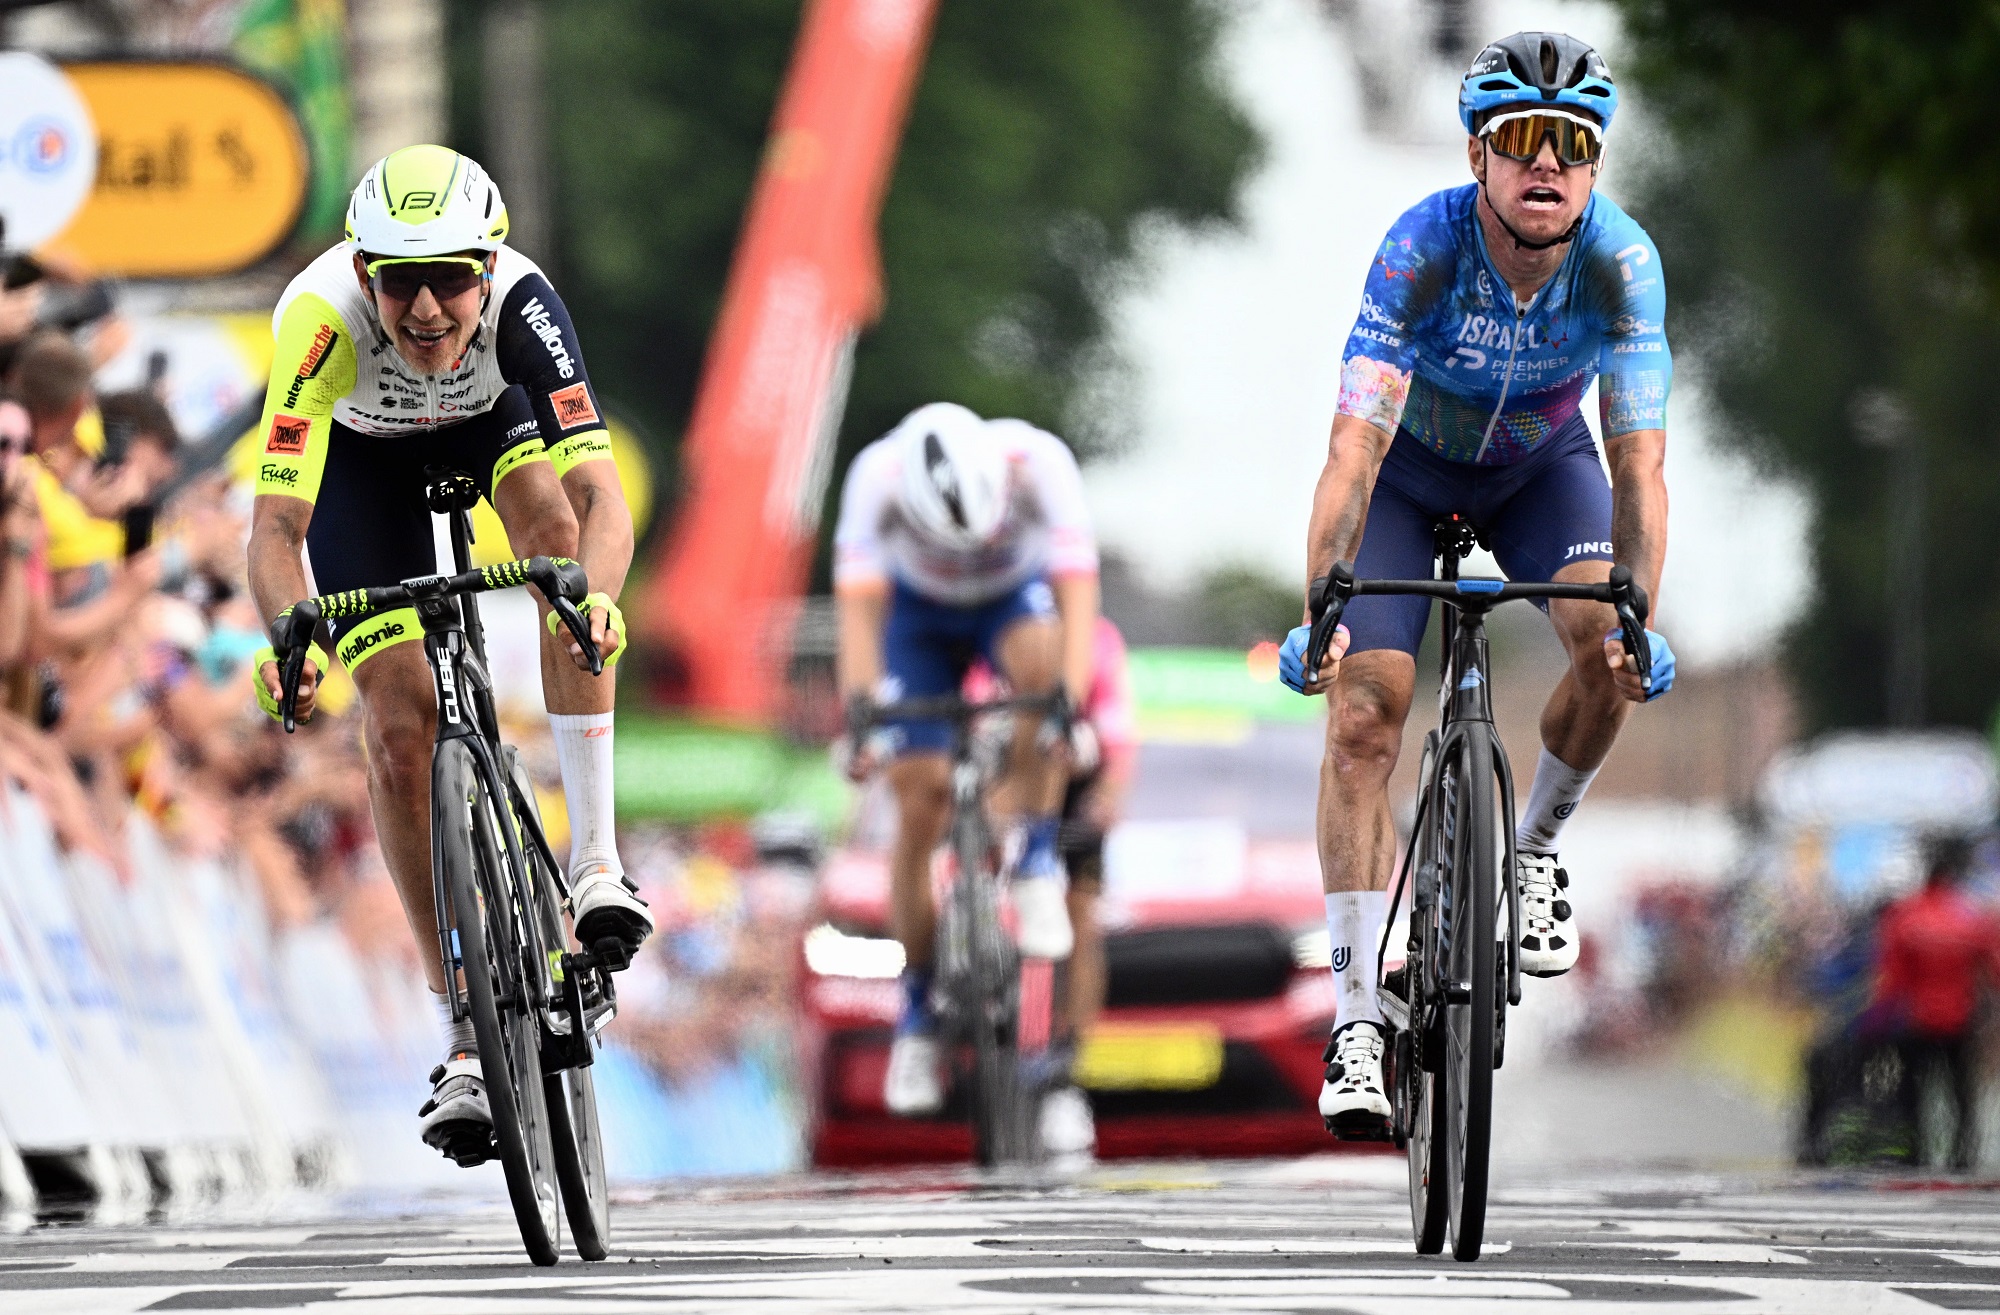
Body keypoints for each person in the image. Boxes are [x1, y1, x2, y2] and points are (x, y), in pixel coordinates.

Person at [1280, 32, 1677, 1137]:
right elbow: (1353, 446)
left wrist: (1640, 605)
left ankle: (1536, 844)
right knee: (1365, 713)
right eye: (1520, 141)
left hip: (1541, 477)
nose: (1544, 164)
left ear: (1592, 166)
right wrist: (1320, 594)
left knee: (1605, 642)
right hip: (1408, 472)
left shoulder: (1620, 265)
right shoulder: (1418, 250)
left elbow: (1637, 459)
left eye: (1570, 144)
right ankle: (1358, 1015)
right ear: (1477, 156)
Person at [242, 145, 651, 1163]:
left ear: (488, 267)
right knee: (394, 720)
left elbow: (602, 495)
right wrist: (290, 643)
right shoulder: (317, 317)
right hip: (361, 473)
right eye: (399, 280)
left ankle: (596, 862)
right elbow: (275, 530)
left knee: (558, 557)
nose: (426, 309)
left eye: (449, 278)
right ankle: (463, 1029)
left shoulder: (522, 306)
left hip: (488, 426)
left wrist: (592, 601)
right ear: (362, 271)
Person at [832, 401, 1100, 1117]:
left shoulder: (1038, 461)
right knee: (917, 802)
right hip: (916, 617)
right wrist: (861, 716)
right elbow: (858, 614)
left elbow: (1078, 596)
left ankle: (1038, 855)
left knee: (1045, 676)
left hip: (1010, 603)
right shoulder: (876, 478)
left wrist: (1066, 701)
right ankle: (916, 1013)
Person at [1867, 836, 2000, 1169]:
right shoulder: (1970, 917)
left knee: (1914, 1091)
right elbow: (1993, 970)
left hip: (1918, 1019)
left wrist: (1876, 1020)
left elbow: (1891, 979)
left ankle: (1916, 1156)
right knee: (1961, 1094)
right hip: (1960, 1018)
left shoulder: (1905, 916)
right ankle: (1963, 1157)